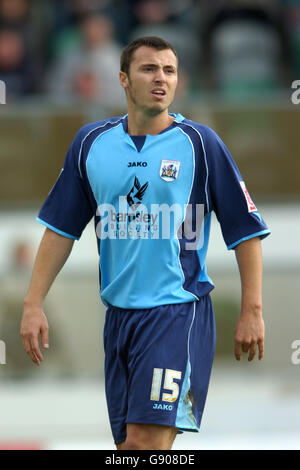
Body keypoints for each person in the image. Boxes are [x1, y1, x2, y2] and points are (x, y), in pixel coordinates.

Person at [20, 36, 270, 450]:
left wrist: (253, 310)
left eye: (169, 71)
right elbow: (60, 229)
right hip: (118, 320)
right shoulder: (90, 143)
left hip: (174, 313)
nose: (161, 78)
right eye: (149, 69)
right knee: (129, 450)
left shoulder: (201, 145)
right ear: (123, 79)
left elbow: (246, 232)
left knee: (143, 445)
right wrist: (33, 303)